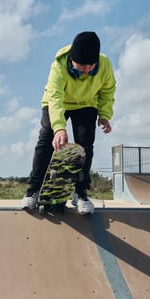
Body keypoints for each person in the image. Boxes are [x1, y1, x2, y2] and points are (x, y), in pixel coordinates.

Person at [21, 31, 116, 214]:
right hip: (58, 102)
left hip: (87, 103)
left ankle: (80, 193)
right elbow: (55, 98)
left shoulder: (105, 65)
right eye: (81, 66)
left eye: (90, 66)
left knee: (85, 143)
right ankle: (33, 189)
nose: (86, 70)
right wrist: (59, 128)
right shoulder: (58, 66)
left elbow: (108, 91)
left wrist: (104, 114)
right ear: (72, 59)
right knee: (46, 138)